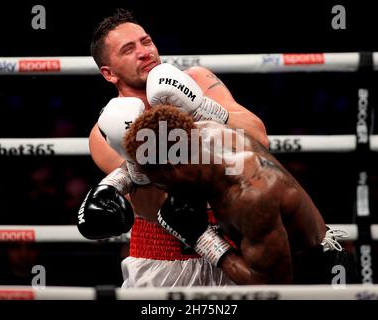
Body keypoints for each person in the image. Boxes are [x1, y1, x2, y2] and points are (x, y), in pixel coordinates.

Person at [80, 8, 268, 287]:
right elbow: (153, 208)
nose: (144, 52)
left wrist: (201, 108)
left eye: (146, 41)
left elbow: (259, 138)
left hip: (240, 241)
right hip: (161, 258)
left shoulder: (198, 81)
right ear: (109, 73)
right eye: (128, 49)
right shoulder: (103, 134)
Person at [123, 105, 354, 284]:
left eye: (162, 184)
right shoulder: (204, 132)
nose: (166, 191)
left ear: (173, 167)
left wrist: (202, 239)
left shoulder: (250, 197)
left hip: (317, 276)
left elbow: (271, 288)